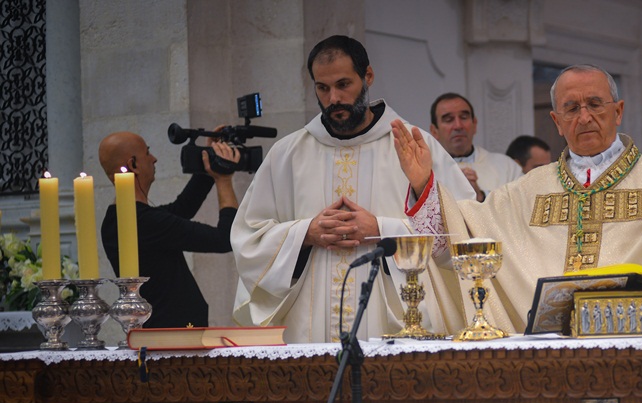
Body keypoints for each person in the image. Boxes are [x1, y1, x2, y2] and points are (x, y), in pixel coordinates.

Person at [391, 64, 642, 334]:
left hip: (638, 342)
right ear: (557, 121)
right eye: (571, 108)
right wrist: (424, 185)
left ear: (618, 111)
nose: (584, 117)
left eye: (595, 104)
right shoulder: (526, 190)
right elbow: (458, 245)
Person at [230, 35, 475, 343]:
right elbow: (247, 239)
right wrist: (304, 233)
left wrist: (381, 230)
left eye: (344, 84)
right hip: (309, 332)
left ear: (367, 76)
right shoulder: (287, 154)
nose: (334, 98)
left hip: (394, 328)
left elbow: (462, 234)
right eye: (323, 87)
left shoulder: (414, 144)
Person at [98, 131, 240, 329]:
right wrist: (224, 180)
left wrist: (209, 162)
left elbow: (182, 209)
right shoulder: (145, 222)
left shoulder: (120, 218)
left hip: (164, 328)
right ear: (133, 165)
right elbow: (225, 238)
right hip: (172, 334)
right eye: (147, 153)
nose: (154, 158)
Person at [430, 93, 522, 201]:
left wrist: (481, 196)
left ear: (474, 124)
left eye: (464, 117)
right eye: (449, 120)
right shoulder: (426, 171)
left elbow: (523, 205)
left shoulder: (506, 167)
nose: (458, 126)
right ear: (434, 131)